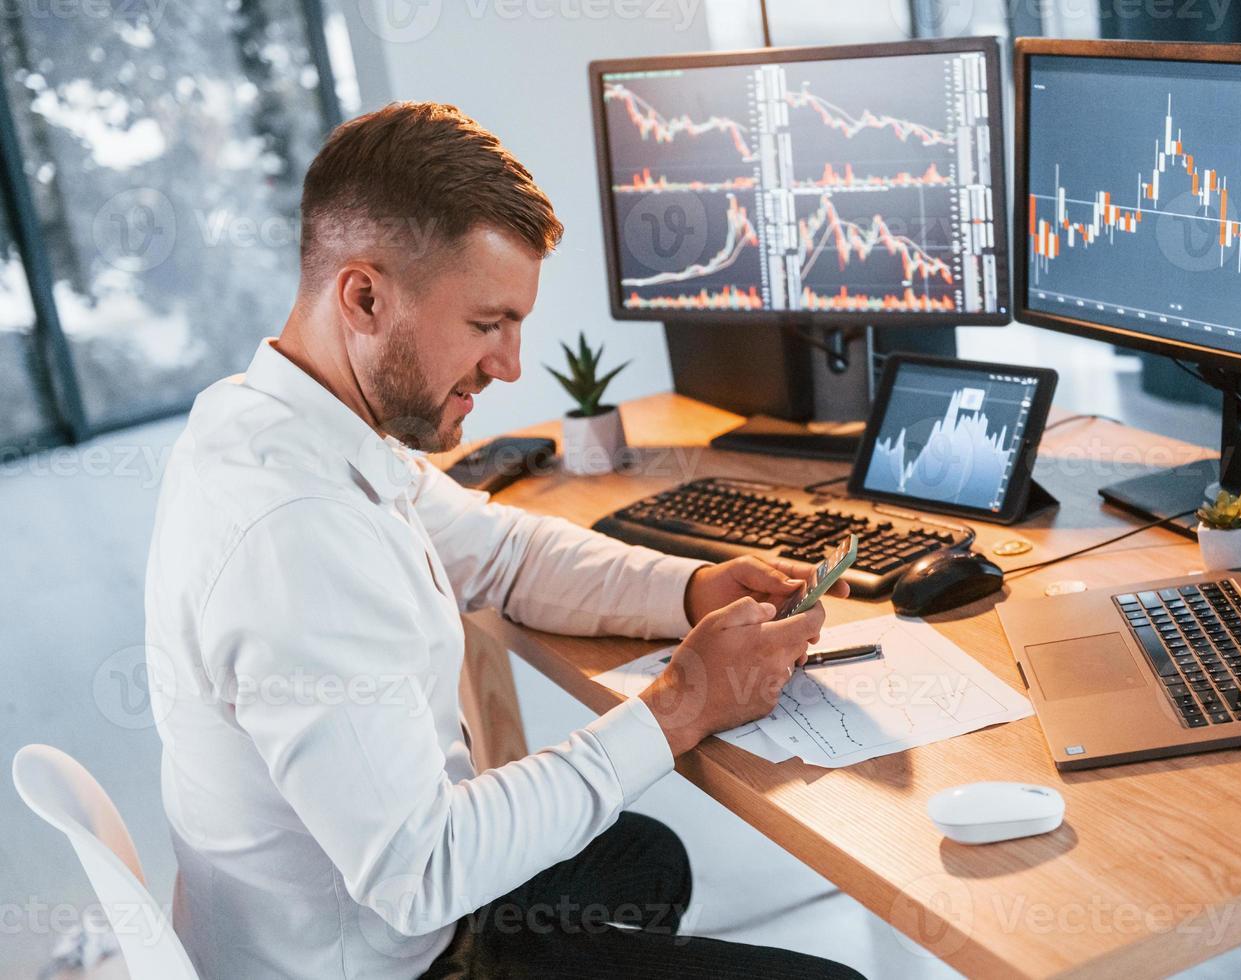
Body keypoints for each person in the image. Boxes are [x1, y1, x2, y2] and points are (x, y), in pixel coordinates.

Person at [144, 101, 861, 980]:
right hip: (386, 957)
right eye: (487, 325)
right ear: (363, 296)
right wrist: (683, 703)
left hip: (342, 910)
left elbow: (505, 553)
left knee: (642, 857)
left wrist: (687, 589)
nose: (510, 364)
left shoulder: (289, 415)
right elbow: (423, 873)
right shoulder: (296, 535)